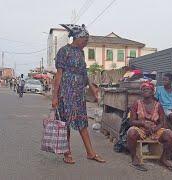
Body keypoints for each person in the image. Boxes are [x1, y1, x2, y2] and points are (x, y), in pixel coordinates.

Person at [52, 24, 105, 164]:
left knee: (82, 122)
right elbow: (59, 75)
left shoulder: (81, 53)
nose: (86, 42)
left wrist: (92, 88)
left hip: (79, 93)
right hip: (66, 92)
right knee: (66, 124)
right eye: (85, 39)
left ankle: (90, 153)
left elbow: (84, 72)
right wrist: (54, 96)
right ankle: (67, 152)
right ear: (77, 37)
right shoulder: (64, 51)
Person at [127, 81, 172, 172]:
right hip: (140, 129)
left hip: (155, 130)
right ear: (141, 92)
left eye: (148, 89)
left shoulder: (158, 105)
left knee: (171, 135)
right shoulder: (136, 104)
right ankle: (134, 158)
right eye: (143, 89)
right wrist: (143, 123)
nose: (145, 90)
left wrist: (155, 129)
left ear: (152, 91)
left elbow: (162, 122)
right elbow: (131, 121)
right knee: (131, 132)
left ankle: (163, 159)